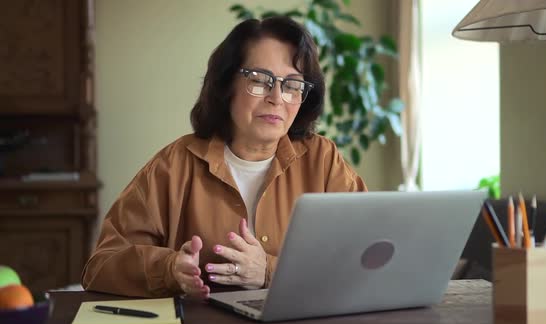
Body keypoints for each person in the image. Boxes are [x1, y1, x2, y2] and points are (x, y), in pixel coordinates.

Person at [81, 16, 367, 299]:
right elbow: (101, 266)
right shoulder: (174, 165)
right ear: (226, 84)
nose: (277, 97)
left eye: (292, 85)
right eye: (260, 80)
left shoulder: (323, 161)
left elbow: (366, 258)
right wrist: (169, 270)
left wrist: (269, 271)